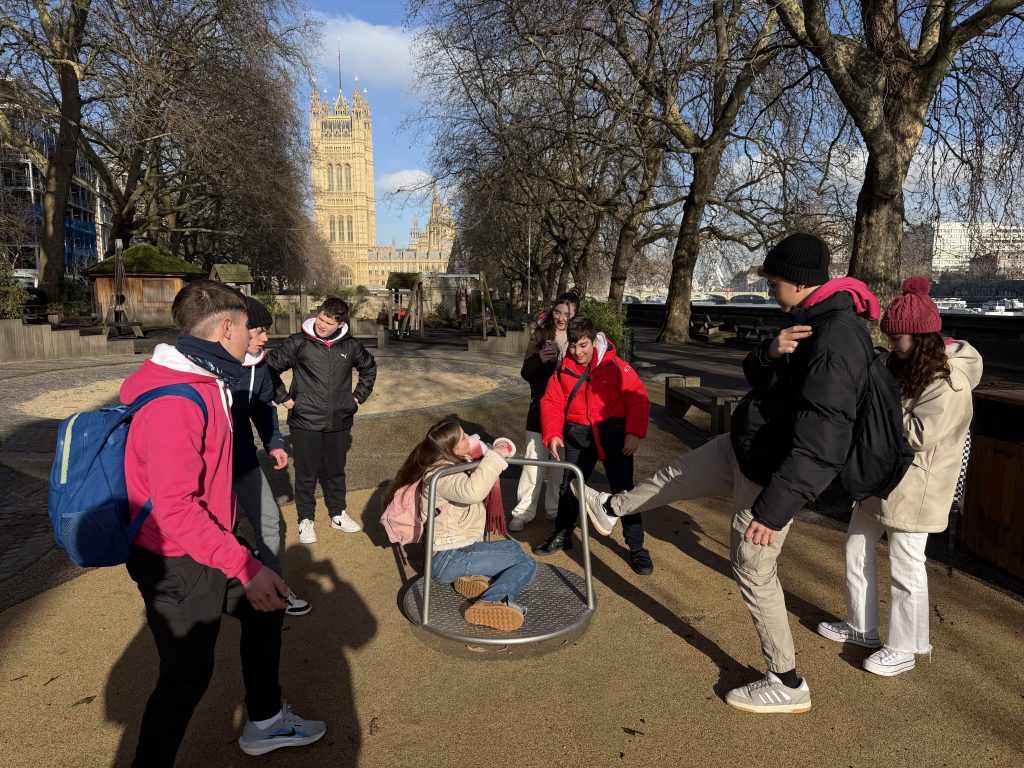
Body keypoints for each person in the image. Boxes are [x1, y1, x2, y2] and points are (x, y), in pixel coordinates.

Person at [578, 233, 893, 713]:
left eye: (773, 281)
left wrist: (774, 511)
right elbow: (760, 377)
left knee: (752, 568)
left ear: (798, 282)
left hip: (770, 473)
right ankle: (611, 509)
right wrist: (770, 353)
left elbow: (824, 442)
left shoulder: (834, 338)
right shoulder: (805, 320)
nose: (768, 289)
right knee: (674, 473)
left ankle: (786, 681)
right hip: (747, 446)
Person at [122, 280, 324, 765]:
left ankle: (266, 722)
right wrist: (245, 564)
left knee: (266, 606)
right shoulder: (177, 398)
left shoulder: (204, 376)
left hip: (206, 542)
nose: (255, 339)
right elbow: (175, 508)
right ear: (226, 327)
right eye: (247, 329)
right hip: (175, 558)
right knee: (186, 678)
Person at [817, 276, 983, 676]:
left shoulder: (951, 382)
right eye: (889, 337)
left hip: (917, 484)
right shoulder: (908, 366)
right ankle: (862, 626)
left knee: (907, 565)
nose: (892, 344)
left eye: (898, 338)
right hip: (885, 476)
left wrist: (875, 410)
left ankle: (906, 646)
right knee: (857, 547)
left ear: (922, 337)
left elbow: (919, 436)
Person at [384, 418, 537, 630]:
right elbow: (472, 491)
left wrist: (500, 447)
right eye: (464, 437)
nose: (470, 438)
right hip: (448, 557)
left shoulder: (459, 458)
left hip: (455, 552)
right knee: (526, 563)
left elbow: (499, 448)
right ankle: (492, 599)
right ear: (451, 448)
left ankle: (472, 579)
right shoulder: (440, 474)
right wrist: (495, 455)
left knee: (513, 549)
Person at [534, 316, 653, 576]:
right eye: (574, 346)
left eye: (584, 346)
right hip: (578, 435)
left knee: (625, 491)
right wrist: (553, 434)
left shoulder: (615, 366)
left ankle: (637, 546)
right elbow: (551, 402)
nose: (578, 352)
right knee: (570, 487)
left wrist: (634, 433)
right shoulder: (563, 369)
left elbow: (638, 399)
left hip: (614, 435)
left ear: (594, 340)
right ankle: (563, 533)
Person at [268, 297, 377, 543]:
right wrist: (283, 397)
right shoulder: (299, 342)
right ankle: (305, 520)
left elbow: (369, 368)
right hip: (305, 420)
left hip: (339, 420)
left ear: (340, 324)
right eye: (320, 318)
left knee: (336, 471)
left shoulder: (351, 346)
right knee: (306, 473)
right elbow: (269, 367)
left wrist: (357, 399)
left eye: (328, 322)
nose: (322, 325)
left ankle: (338, 514)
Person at [231, 296, 309, 616]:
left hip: (244, 461)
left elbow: (263, 409)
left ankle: (277, 588)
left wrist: (274, 442)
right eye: (260, 331)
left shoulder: (260, 366)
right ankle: (223, 592)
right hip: (208, 469)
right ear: (234, 330)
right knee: (221, 530)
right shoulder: (210, 369)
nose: (266, 338)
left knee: (269, 522)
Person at [508, 292, 579, 532]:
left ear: (575, 314)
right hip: (539, 408)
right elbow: (525, 373)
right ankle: (523, 511)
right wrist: (540, 358)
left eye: (567, 314)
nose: (561, 318)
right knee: (533, 463)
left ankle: (554, 509)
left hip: (567, 411)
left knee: (558, 465)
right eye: (558, 312)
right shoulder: (540, 334)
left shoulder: (579, 336)